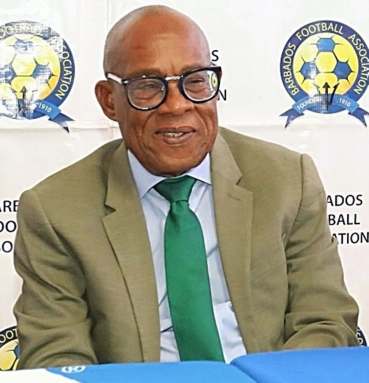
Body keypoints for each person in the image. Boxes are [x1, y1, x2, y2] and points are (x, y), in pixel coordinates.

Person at [13, 5, 359, 369]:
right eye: (148, 86)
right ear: (109, 101)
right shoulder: (55, 211)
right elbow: (57, 356)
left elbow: (325, 320)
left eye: (194, 81)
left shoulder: (288, 180)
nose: (176, 106)